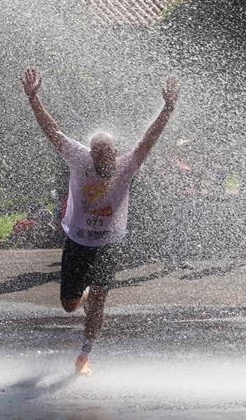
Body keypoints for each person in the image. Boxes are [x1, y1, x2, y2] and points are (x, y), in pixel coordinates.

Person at [21, 66, 179, 375]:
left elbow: (149, 139)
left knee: (100, 295)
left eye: (109, 155)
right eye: (99, 156)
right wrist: (32, 98)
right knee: (69, 304)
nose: (105, 161)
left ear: (115, 153)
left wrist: (168, 107)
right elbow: (52, 130)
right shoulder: (78, 158)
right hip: (78, 241)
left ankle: (85, 354)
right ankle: (78, 296)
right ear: (92, 154)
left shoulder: (127, 165)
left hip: (108, 243)